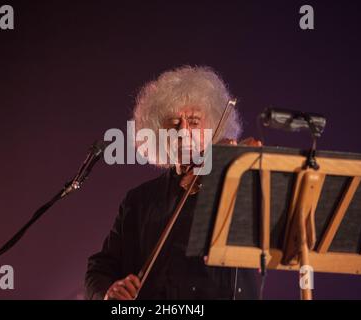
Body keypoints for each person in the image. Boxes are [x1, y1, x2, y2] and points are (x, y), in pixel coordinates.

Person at [85, 66, 260, 300]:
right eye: (174, 124)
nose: (183, 132)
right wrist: (107, 292)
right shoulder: (138, 201)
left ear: (215, 128)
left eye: (194, 122)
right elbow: (100, 268)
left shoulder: (238, 183)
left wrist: (251, 171)